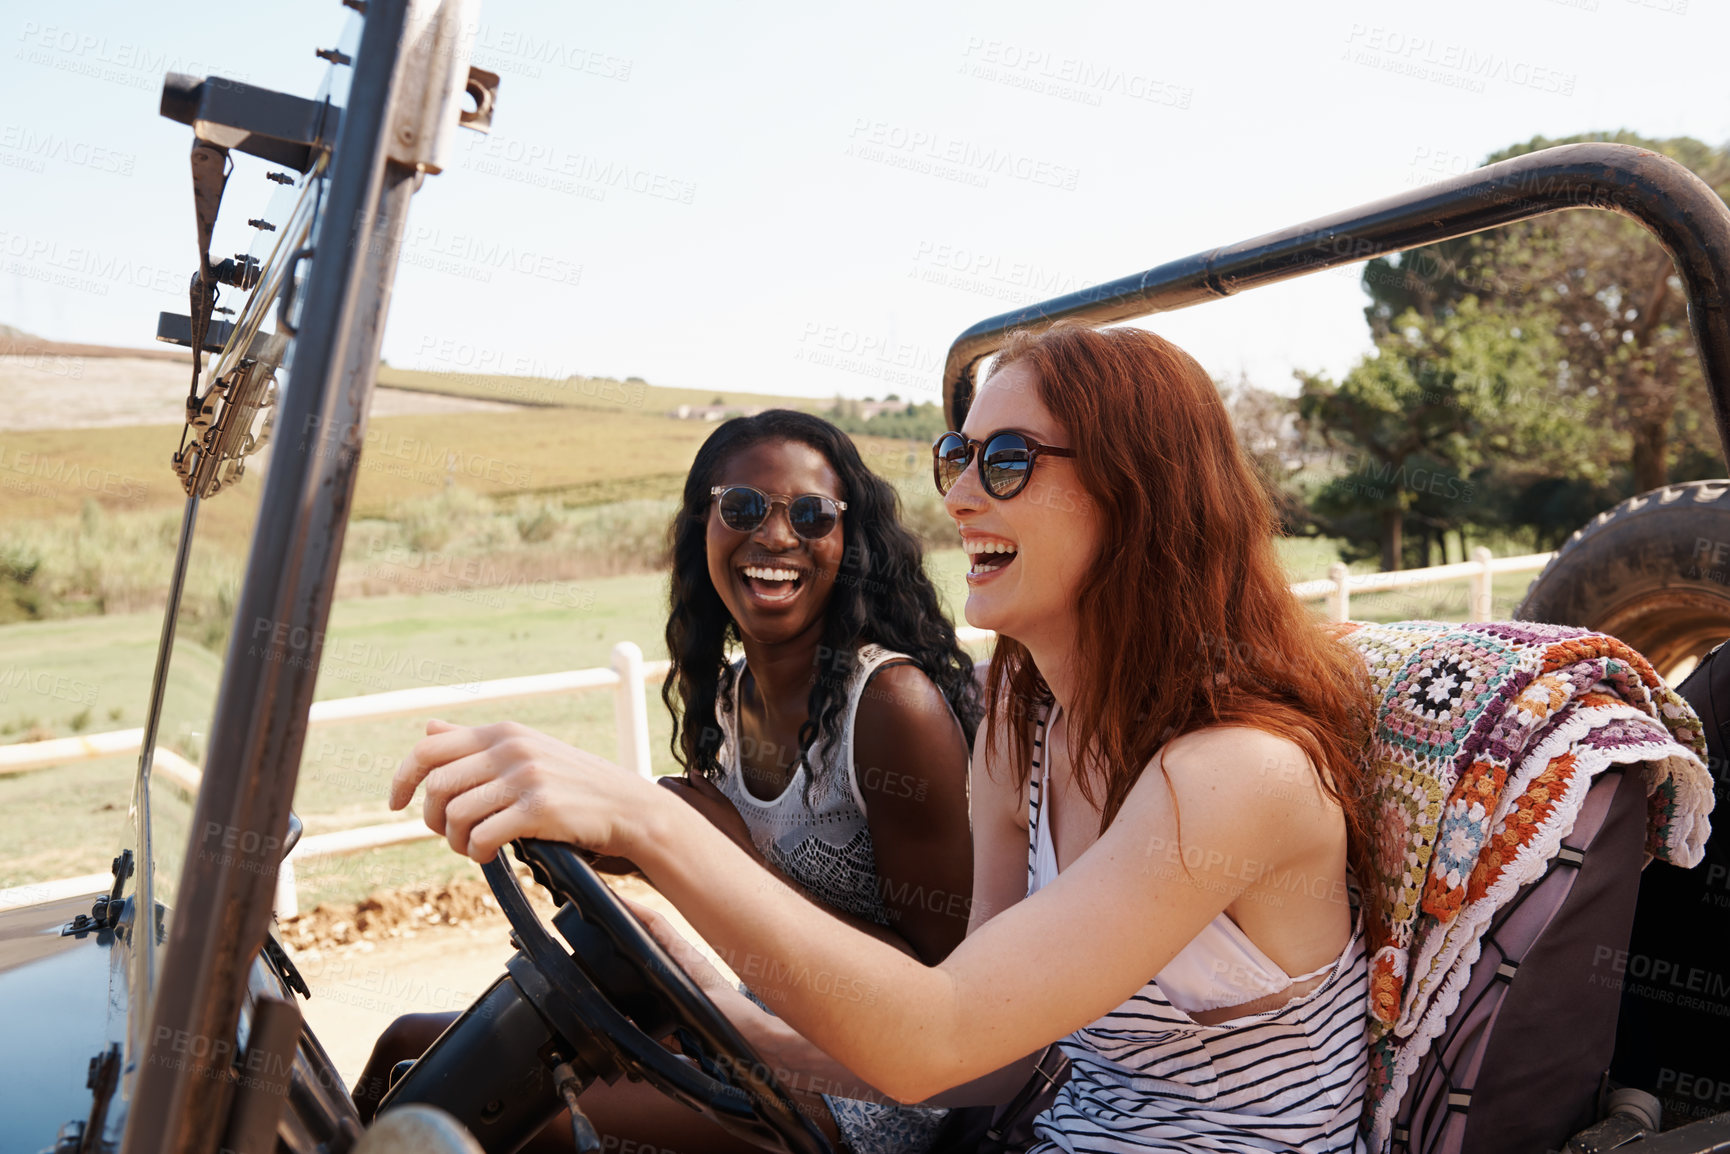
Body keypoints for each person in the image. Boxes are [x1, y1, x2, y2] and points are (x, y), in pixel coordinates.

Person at [392, 326, 1379, 1153]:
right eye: (959, 456)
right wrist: (712, 1012)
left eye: (1006, 462)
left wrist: (651, 821)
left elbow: (935, 1041)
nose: (957, 498)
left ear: (1138, 491)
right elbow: (986, 1049)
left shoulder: (1235, 773)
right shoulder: (1023, 728)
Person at [357, 410, 982, 1154]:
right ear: (704, 528)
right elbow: (708, 844)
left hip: (875, 1093)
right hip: (759, 1037)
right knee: (411, 1049)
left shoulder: (889, 706)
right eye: (743, 507)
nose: (777, 536)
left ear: (849, 543)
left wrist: (704, 850)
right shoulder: (733, 693)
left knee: (508, 1115)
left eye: (811, 514)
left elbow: (945, 994)